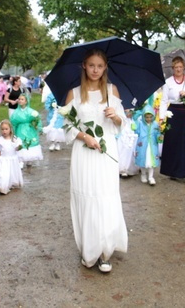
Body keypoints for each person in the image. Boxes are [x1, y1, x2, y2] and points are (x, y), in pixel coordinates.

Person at [64, 48, 127, 273]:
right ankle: (88, 249)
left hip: (106, 152)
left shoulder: (112, 91)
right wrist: (84, 137)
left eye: (100, 66)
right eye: (91, 65)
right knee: (86, 197)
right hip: (84, 153)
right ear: (84, 65)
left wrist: (117, 116)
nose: (95, 70)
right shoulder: (74, 93)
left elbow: (124, 125)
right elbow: (67, 126)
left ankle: (105, 251)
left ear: (105, 68)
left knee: (105, 197)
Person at [158, 56, 185, 186]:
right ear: (172, 68)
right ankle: (173, 170)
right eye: (176, 67)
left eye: (180, 67)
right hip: (174, 113)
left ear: (184, 68)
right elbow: (164, 100)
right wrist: (161, 117)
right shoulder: (168, 82)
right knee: (173, 141)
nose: (178, 69)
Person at [10, 94, 43, 167]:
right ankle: (20, 160)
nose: (20, 101)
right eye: (19, 99)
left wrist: (38, 126)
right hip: (20, 129)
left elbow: (37, 119)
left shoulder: (31, 111)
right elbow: (13, 121)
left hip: (29, 129)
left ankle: (29, 159)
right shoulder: (16, 112)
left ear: (26, 101)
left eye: (22, 99)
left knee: (29, 142)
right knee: (20, 142)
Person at [0, 119, 23, 195]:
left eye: (6, 129)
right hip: (3, 160)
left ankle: (12, 183)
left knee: (12, 172)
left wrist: (18, 146)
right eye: (2, 129)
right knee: (3, 174)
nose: (4, 131)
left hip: (13, 159)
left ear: (10, 129)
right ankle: (2, 187)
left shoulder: (14, 139)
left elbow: (17, 148)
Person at [134, 105, 161, 186]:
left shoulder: (155, 124)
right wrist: (134, 124)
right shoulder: (140, 124)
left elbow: (157, 134)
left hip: (152, 145)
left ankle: (151, 177)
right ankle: (143, 174)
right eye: (146, 117)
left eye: (150, 117)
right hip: (143, 145)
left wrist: (160, 136)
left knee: (151, 160)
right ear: (143, 117)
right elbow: (136, 132)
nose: (148, 119)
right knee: (143, 159)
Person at [116, 109, 138, 177]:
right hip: (122, 137)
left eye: (131, 112)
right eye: (127, 112)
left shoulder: (132, 121)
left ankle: (128, 168)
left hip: (130, 137)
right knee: (121, 151)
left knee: (129, 152)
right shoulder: (122, 119)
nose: (129, 113)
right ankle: (122, 169)